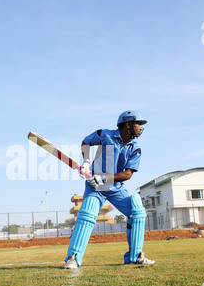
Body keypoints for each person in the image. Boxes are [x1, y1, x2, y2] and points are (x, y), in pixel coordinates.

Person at [64, 110, 155, 269]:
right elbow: (86, 142)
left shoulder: (135, 148)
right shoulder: (104, 135)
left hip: (116, 188)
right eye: (138, 124)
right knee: (87, 215)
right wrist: (86, 162)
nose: (140, 128)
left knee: (138, 212)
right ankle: (73, 258)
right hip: (95, 188)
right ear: (128, 124)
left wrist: (104, 178)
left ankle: (135, 256)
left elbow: (127, 174)